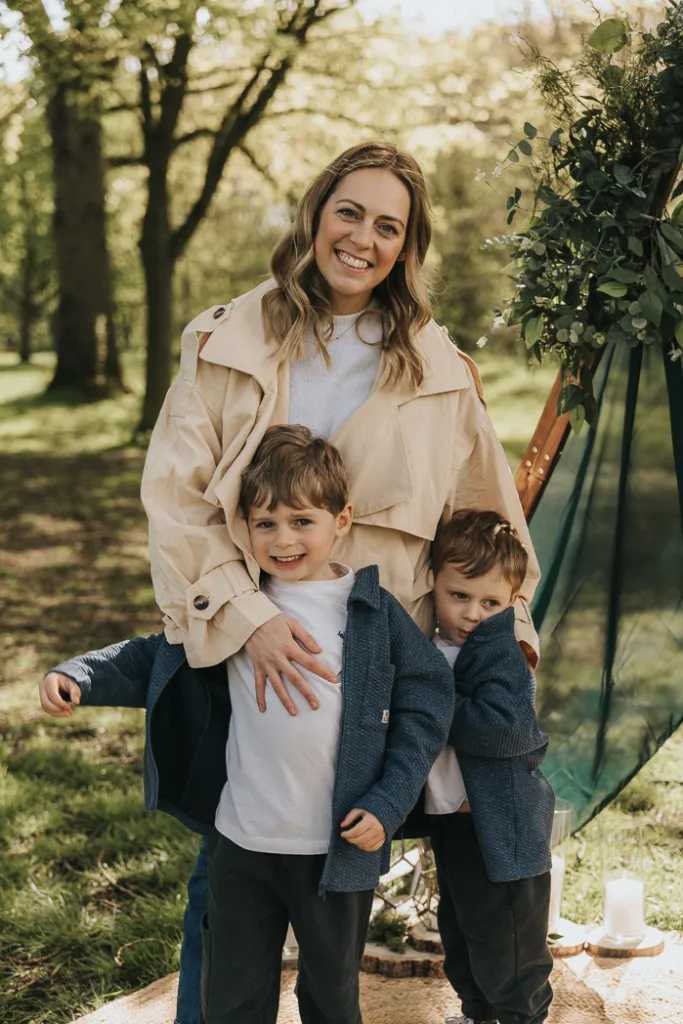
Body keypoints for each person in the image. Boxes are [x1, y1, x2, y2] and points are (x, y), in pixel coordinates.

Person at [137, 140, 542, 1024]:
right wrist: (248, 621)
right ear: (317, 215)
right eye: (349, 212)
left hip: (391, 670)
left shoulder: (439, 368)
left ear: (408, 246)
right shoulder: (226, 340)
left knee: (444, 878)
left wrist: (505, 645)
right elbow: (174, 499)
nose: (363, 237)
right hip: (253, 654)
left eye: (388, 225)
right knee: (232, 874)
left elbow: (486, 518)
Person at [39, 425, 455, 1024]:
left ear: (343, 519)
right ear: (245, 530)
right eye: (265, 524)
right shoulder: (240, 607)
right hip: (243, 842)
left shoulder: (372, 611)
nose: (283, 540)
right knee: (231, 999)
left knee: (332, 1002)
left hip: (334, 850)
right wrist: (79, 673)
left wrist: (389, 801)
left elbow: (428, 702)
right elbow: (158, 655)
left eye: (301, 521)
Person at [426, 509, 555, 1024]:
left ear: (512, 604)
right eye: (459, 595)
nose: (474, 613)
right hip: (454, 822)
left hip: (501, 828)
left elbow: (504, 728)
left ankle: (520, 1018)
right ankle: (477, 1014)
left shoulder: (502, 648)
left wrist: (430, 706)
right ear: (433, 583)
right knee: (462, 933)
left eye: (491, 602)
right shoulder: (434, 646)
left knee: (511, 949)